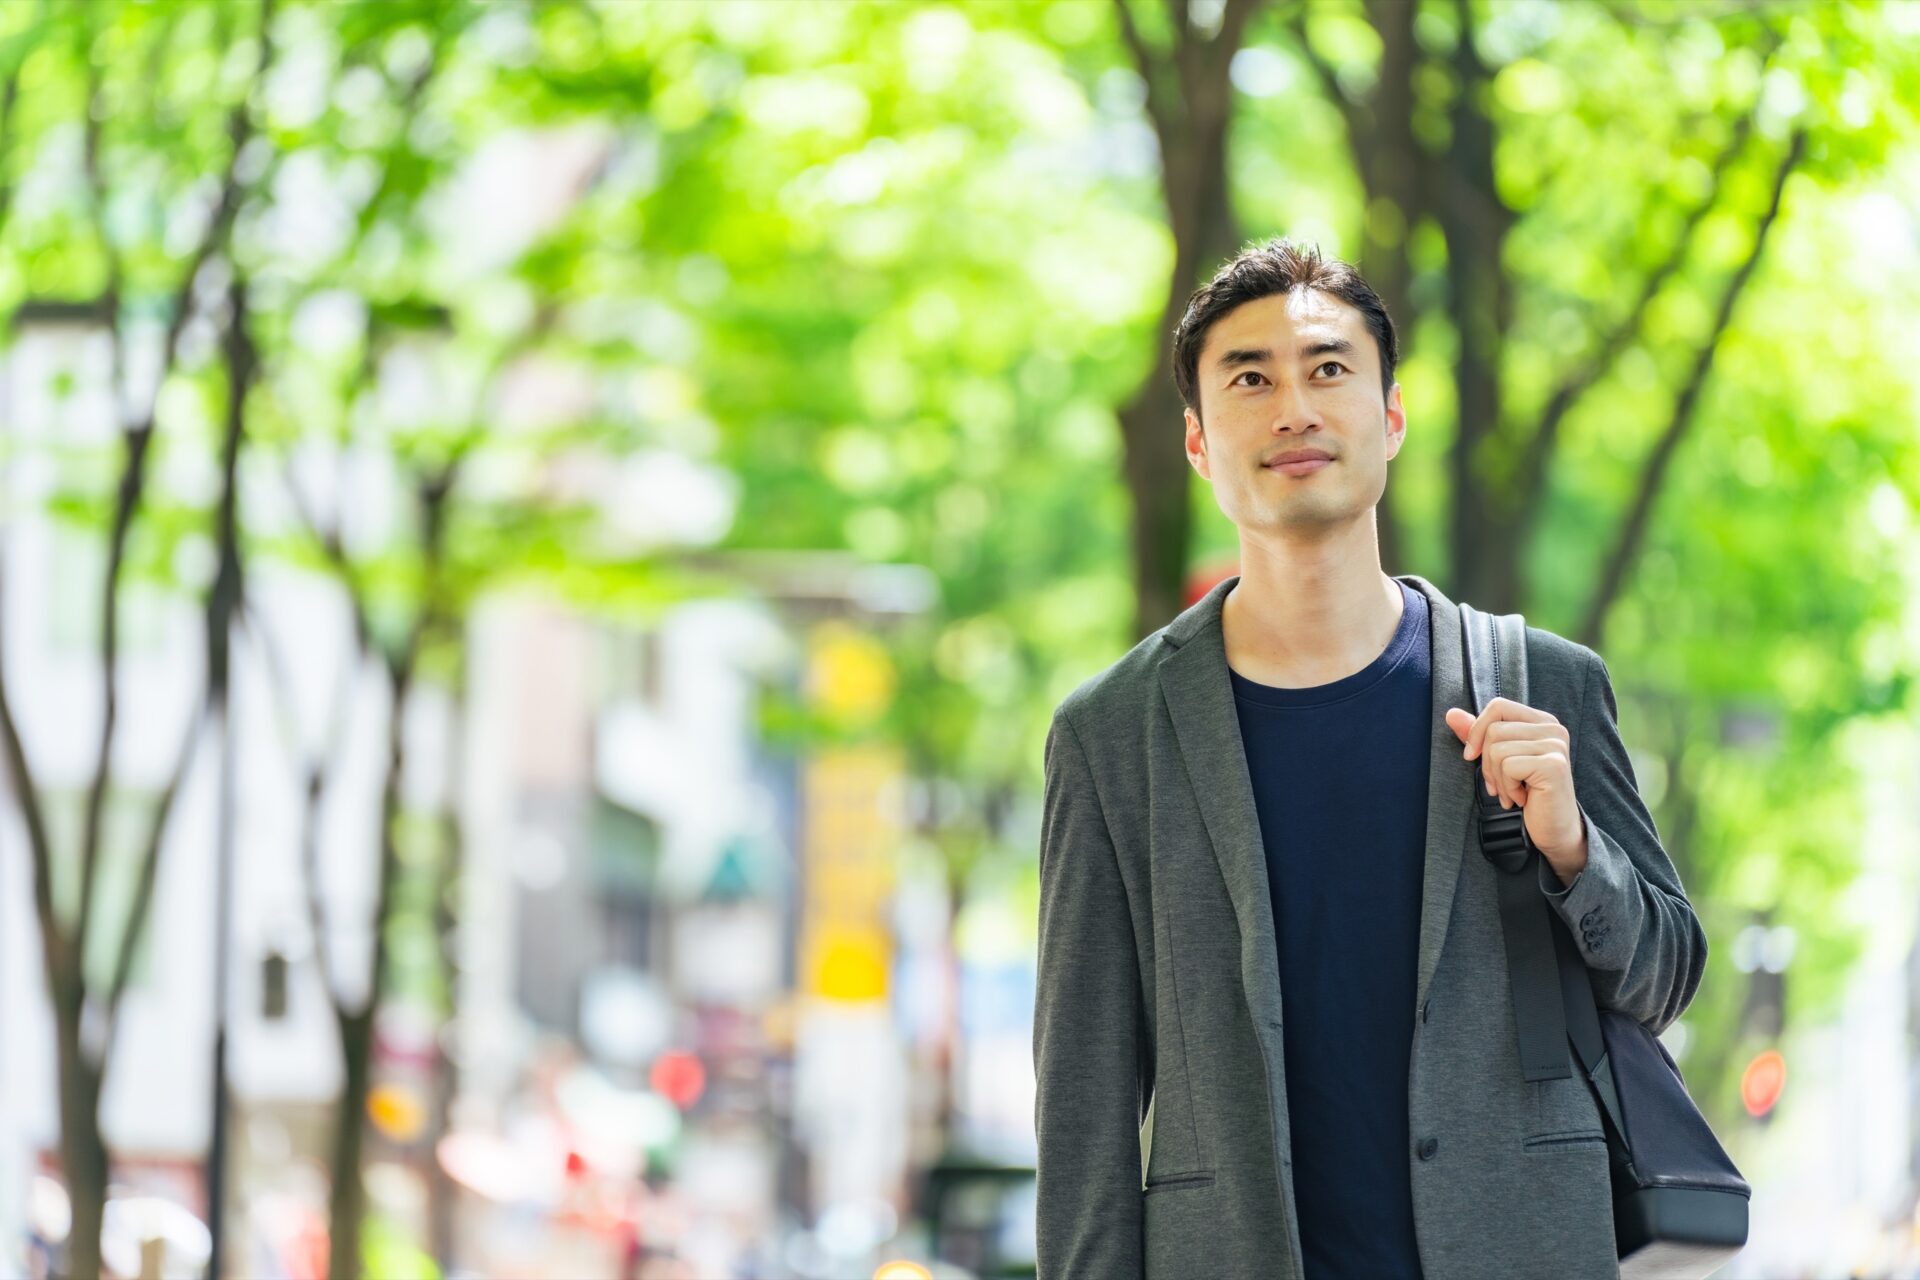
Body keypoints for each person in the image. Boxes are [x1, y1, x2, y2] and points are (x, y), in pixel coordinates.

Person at [1031, 239, 1707, 1280]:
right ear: (1201, 444)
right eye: (1249, 379)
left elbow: (1666, 978)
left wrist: (1574, 848)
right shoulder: (1113, 737)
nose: (1294, 407)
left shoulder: (1540, 683)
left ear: (1390, 419)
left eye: (1329, 369)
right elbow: (1083, 1107)